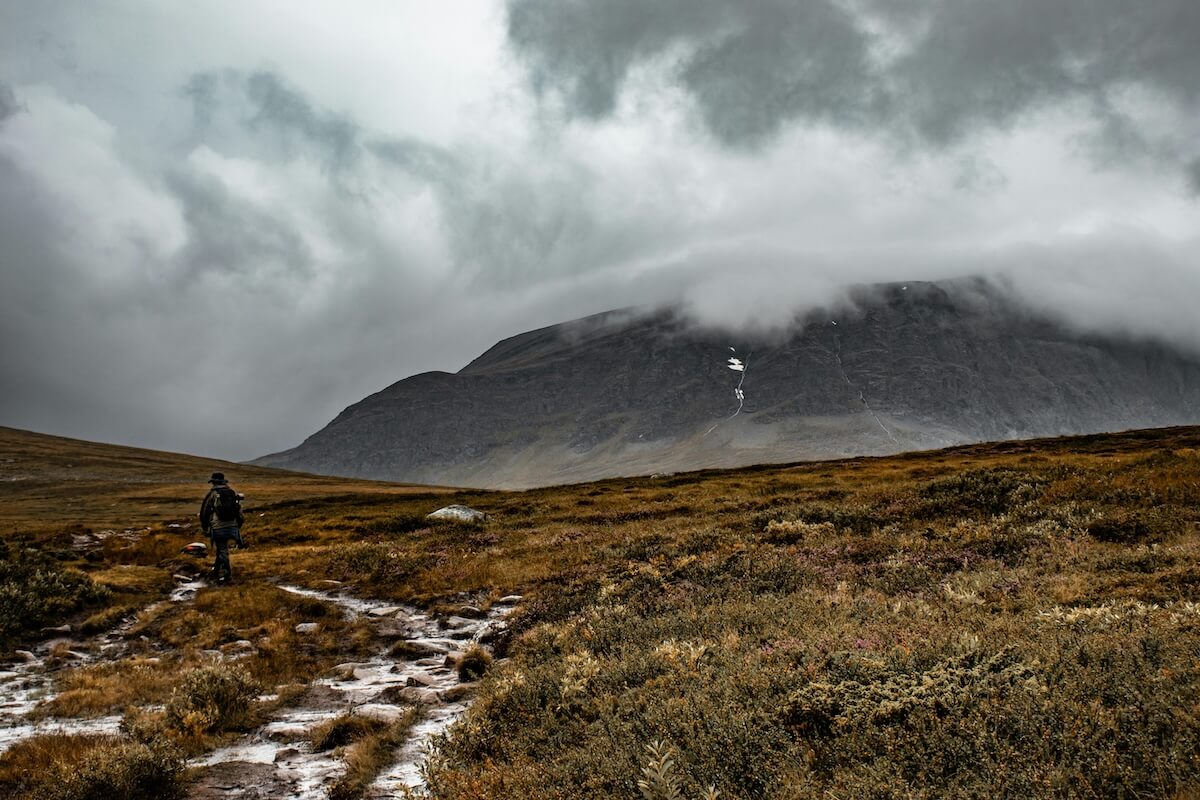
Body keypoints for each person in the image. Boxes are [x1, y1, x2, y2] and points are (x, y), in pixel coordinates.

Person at [199, 472, 245, 584]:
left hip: (218, 526)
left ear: (213, 482)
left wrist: (205, 527)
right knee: (221, 548)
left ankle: (227, 574)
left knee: (222, 548)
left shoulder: (212, 494)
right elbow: (238, 510)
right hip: (232, 525)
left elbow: (204, 512)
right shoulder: (231, 492)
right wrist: (238, 524)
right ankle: (216, 570)